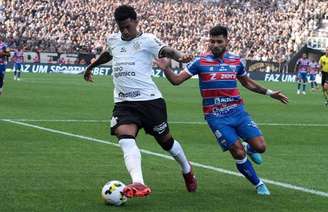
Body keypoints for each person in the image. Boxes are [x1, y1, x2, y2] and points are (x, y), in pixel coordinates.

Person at [155, 25, 288, 195]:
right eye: (212, 41)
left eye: (219, 41)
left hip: (238, 111)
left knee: (261, 147)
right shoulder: (200, 61)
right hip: (216, 116)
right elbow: (177, 81)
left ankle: (250, 148)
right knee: (237, 152)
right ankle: (259, 183)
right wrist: (165, 67)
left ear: (227, 42)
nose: (215, 44)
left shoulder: (236, 61)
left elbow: (247, 82)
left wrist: (269, 93)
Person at [83, 5, 197, 198]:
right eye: (121, 28)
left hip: (150, 102)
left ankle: (187, 170)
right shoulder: (113, 40)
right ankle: (139, 182)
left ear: (136, 21)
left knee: (166, 142)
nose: (125, 31)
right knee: (125, 139)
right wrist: (91, 66)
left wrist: (180, 56)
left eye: (128, 26)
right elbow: (107, 54)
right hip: (124, 103)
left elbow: (166, 50)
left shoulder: (148, 40)